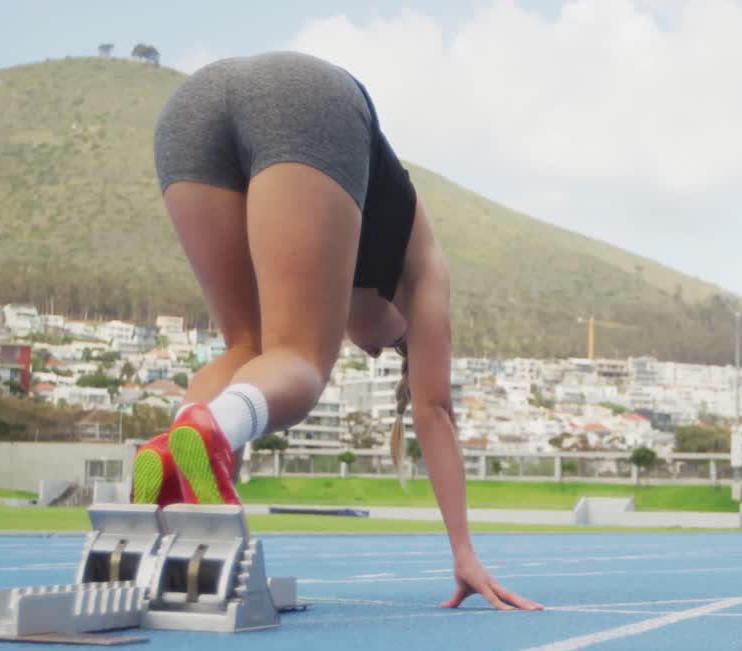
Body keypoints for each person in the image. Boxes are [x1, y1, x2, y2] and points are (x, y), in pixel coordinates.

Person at [134, 51, 541, 612]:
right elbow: (435, 411)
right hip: (308, 99)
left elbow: (257, 369)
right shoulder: (427, 275)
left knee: (248, 350)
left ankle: (170, 449)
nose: (375, 352)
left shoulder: (336, 255)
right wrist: (464, 552)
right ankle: (207, 433)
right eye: (398, 347)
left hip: (192, 107)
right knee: (300, 361)